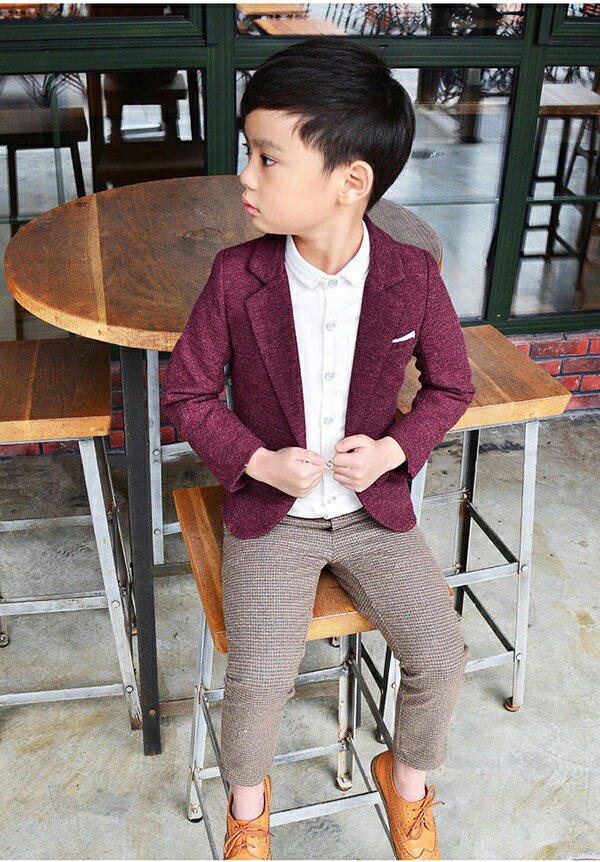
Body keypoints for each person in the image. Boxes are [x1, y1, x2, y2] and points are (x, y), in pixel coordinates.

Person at [162, 37, 475, 862]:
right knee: (260, 679)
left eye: (267, 158)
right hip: (276, 517)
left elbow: (451, 388)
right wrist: (257, 461)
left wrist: (395, 450)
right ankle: (248, 809)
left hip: (372, 514)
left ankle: (407, 784)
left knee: (442, 656)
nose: (245, 176)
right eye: (250, 153)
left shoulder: (413, 276)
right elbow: (186, 393)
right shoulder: (237, 277)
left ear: (350, 181)